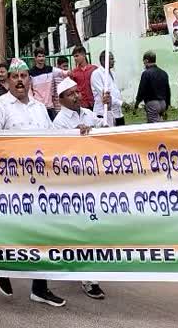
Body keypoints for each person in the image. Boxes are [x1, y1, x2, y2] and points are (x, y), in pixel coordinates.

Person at [0, 58, 66, 307]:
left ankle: (40, 288)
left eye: (23, 76)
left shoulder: (40, 107)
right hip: (12, 184)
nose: (19, 80)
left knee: (43, 233)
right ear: (7, 80)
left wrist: (80, 133)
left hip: (40, 183)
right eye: (14, 76)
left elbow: (54, 140)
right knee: (13, 231)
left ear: (29, 79)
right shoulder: (0, 104)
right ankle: (2, 268)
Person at [51, 78, 107, 300]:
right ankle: (88, 277)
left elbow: (108, 130)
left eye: (77, 92)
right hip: (72, 185)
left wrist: (107, 106)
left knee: (93, 228)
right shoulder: (58, 124)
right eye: (71, 93)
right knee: (82, 230)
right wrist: (74, 136)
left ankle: (88, 271)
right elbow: (57, 151)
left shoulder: (88, 114)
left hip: (93, 182)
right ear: (61, 99)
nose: (76, 96)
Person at [133, 51, 171, 123]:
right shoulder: (164, 73)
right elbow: (168, 91)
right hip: (163, 103)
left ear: (146, 60)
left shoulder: (146, 73)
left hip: (152, 104)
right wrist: (167, 106)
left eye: (144, 62)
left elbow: (141, 90)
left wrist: (136, 105)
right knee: (160, 123)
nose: (144, 64)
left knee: (154, 126)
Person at [29, 48, 66, 120]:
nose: (41, 58)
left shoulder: (50, 69)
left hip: (50, 107)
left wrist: (70, 73)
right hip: (38, 107)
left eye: (43, 56)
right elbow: (30, 91)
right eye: (39, 56)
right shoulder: (31, 73)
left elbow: (62, 73)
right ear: (35, 58)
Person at [91, 51, 124, 127]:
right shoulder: (97, 74)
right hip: (103, 113)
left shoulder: (113, 73)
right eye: (111, 59)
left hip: (117, 113)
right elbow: (105, 95)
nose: (113, 61)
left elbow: (116, 91)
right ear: (103, 60)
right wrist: (121, 103)